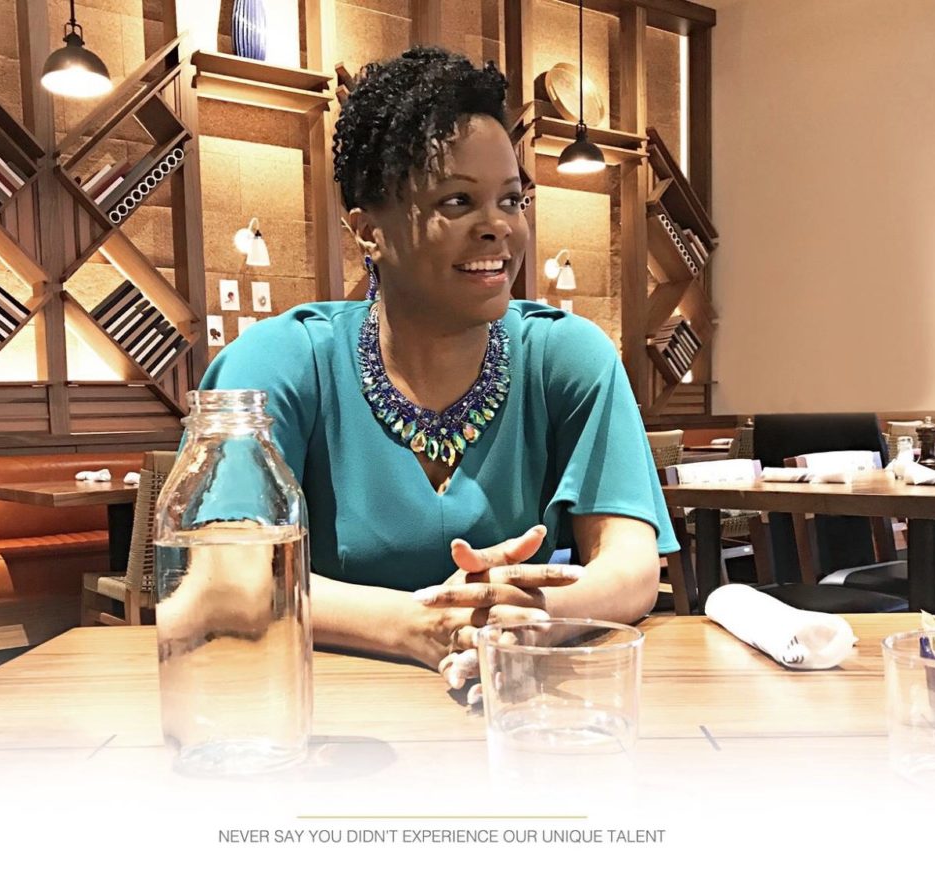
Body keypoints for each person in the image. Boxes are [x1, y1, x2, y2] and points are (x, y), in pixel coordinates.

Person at [198, 47, 678, 697]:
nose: (498, 229)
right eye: (457, 201)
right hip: (321, 716)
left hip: (507, 706)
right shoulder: (279, 362)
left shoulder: (568, 358)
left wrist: (532, 619)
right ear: (368, 232)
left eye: (512, 200)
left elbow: (631, 567)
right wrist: (415, 624)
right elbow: (224, 575)